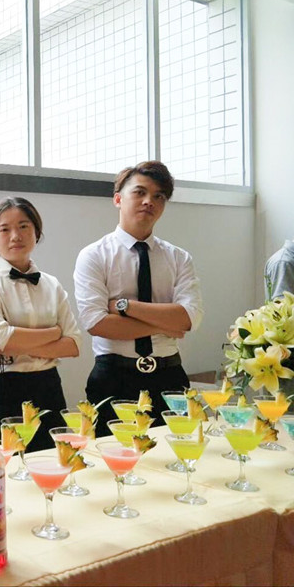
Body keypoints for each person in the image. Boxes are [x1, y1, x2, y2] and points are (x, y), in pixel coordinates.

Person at [73, 161, 204, 436]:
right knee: (113, 457)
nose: (149, 201)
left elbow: (188, 318)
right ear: (118, 199)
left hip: (170, 377)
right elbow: (97, 323)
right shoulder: (94, 255)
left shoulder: (179, 258)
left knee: (177, 454)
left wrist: (125, 307)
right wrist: (165, 325)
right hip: (113, 377)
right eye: (140, 192)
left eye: (159, 196)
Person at [0, 197, 81, 450]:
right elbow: (2, 339)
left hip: (49, 387)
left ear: (36, 232)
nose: (15, 236)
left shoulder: (52, 284)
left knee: (54, 460)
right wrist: (54, 333)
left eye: (23, 226)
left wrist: (19, 344)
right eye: (4, 229)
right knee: (7, 465)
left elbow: (74, 344)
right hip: (4, 389)